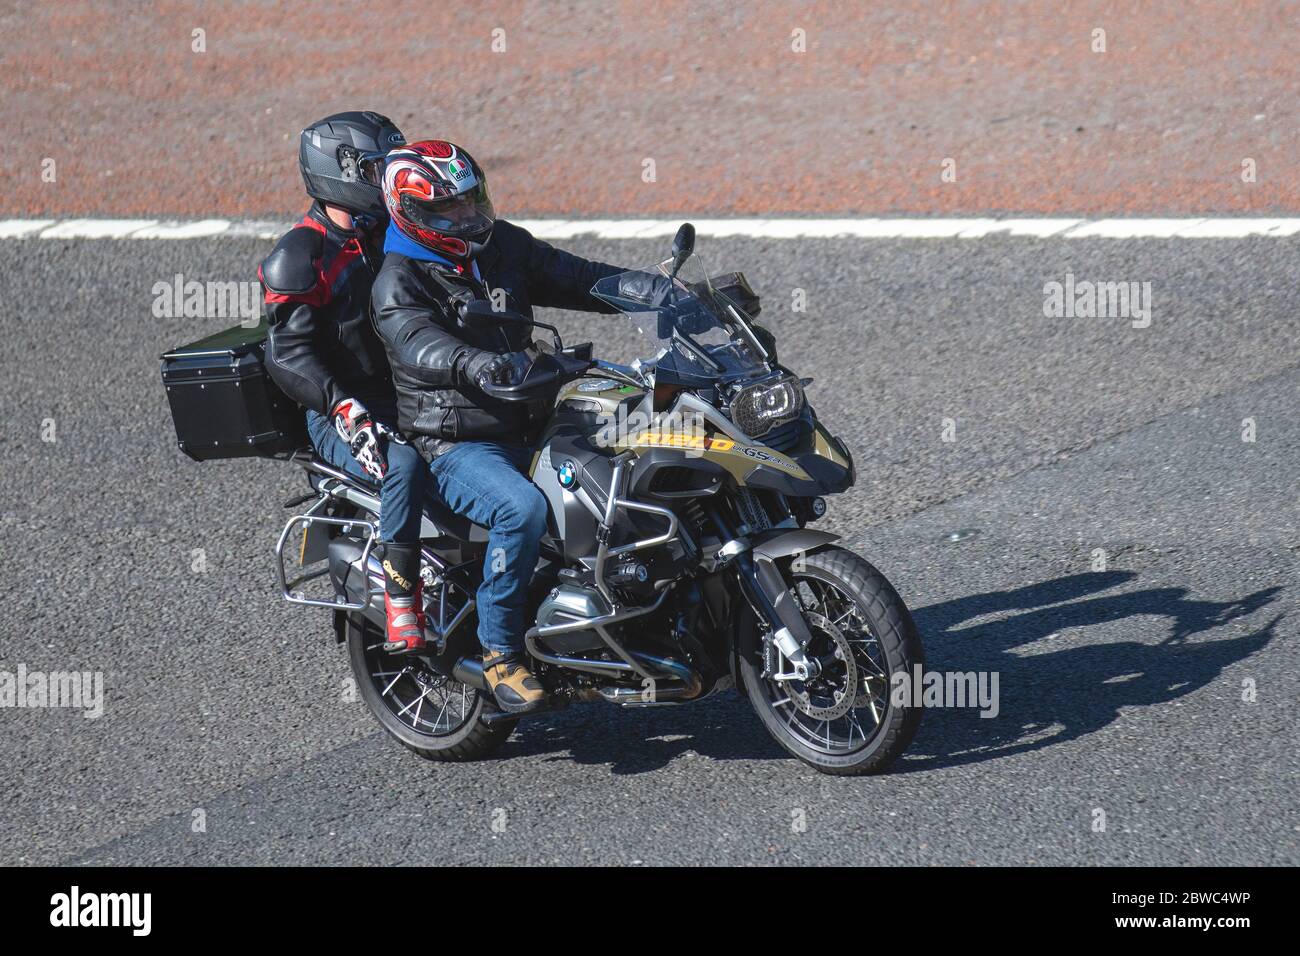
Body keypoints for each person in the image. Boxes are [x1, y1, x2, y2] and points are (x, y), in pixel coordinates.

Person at [371, 140, 627, 713]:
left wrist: (656, 293)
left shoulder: (500, 244)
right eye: (447, 209)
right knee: (523, 510)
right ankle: (501, 652)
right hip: (456, 441)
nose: (465, 216)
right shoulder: (398, 279)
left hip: (532, 414)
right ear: (410, 214)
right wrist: (475, 361)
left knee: (633, 449)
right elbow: (418, 341)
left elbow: (578, 276)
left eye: (470, 201)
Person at [259, 111, 430, 654]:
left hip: (408, 389)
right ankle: (403, 598)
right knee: (404, 461)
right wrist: (343, 409)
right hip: (346, 411)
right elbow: (288, 357)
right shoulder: (298, 257)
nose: (391, 180)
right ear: (342, 172)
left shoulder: (389, 231)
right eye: (379, 168)